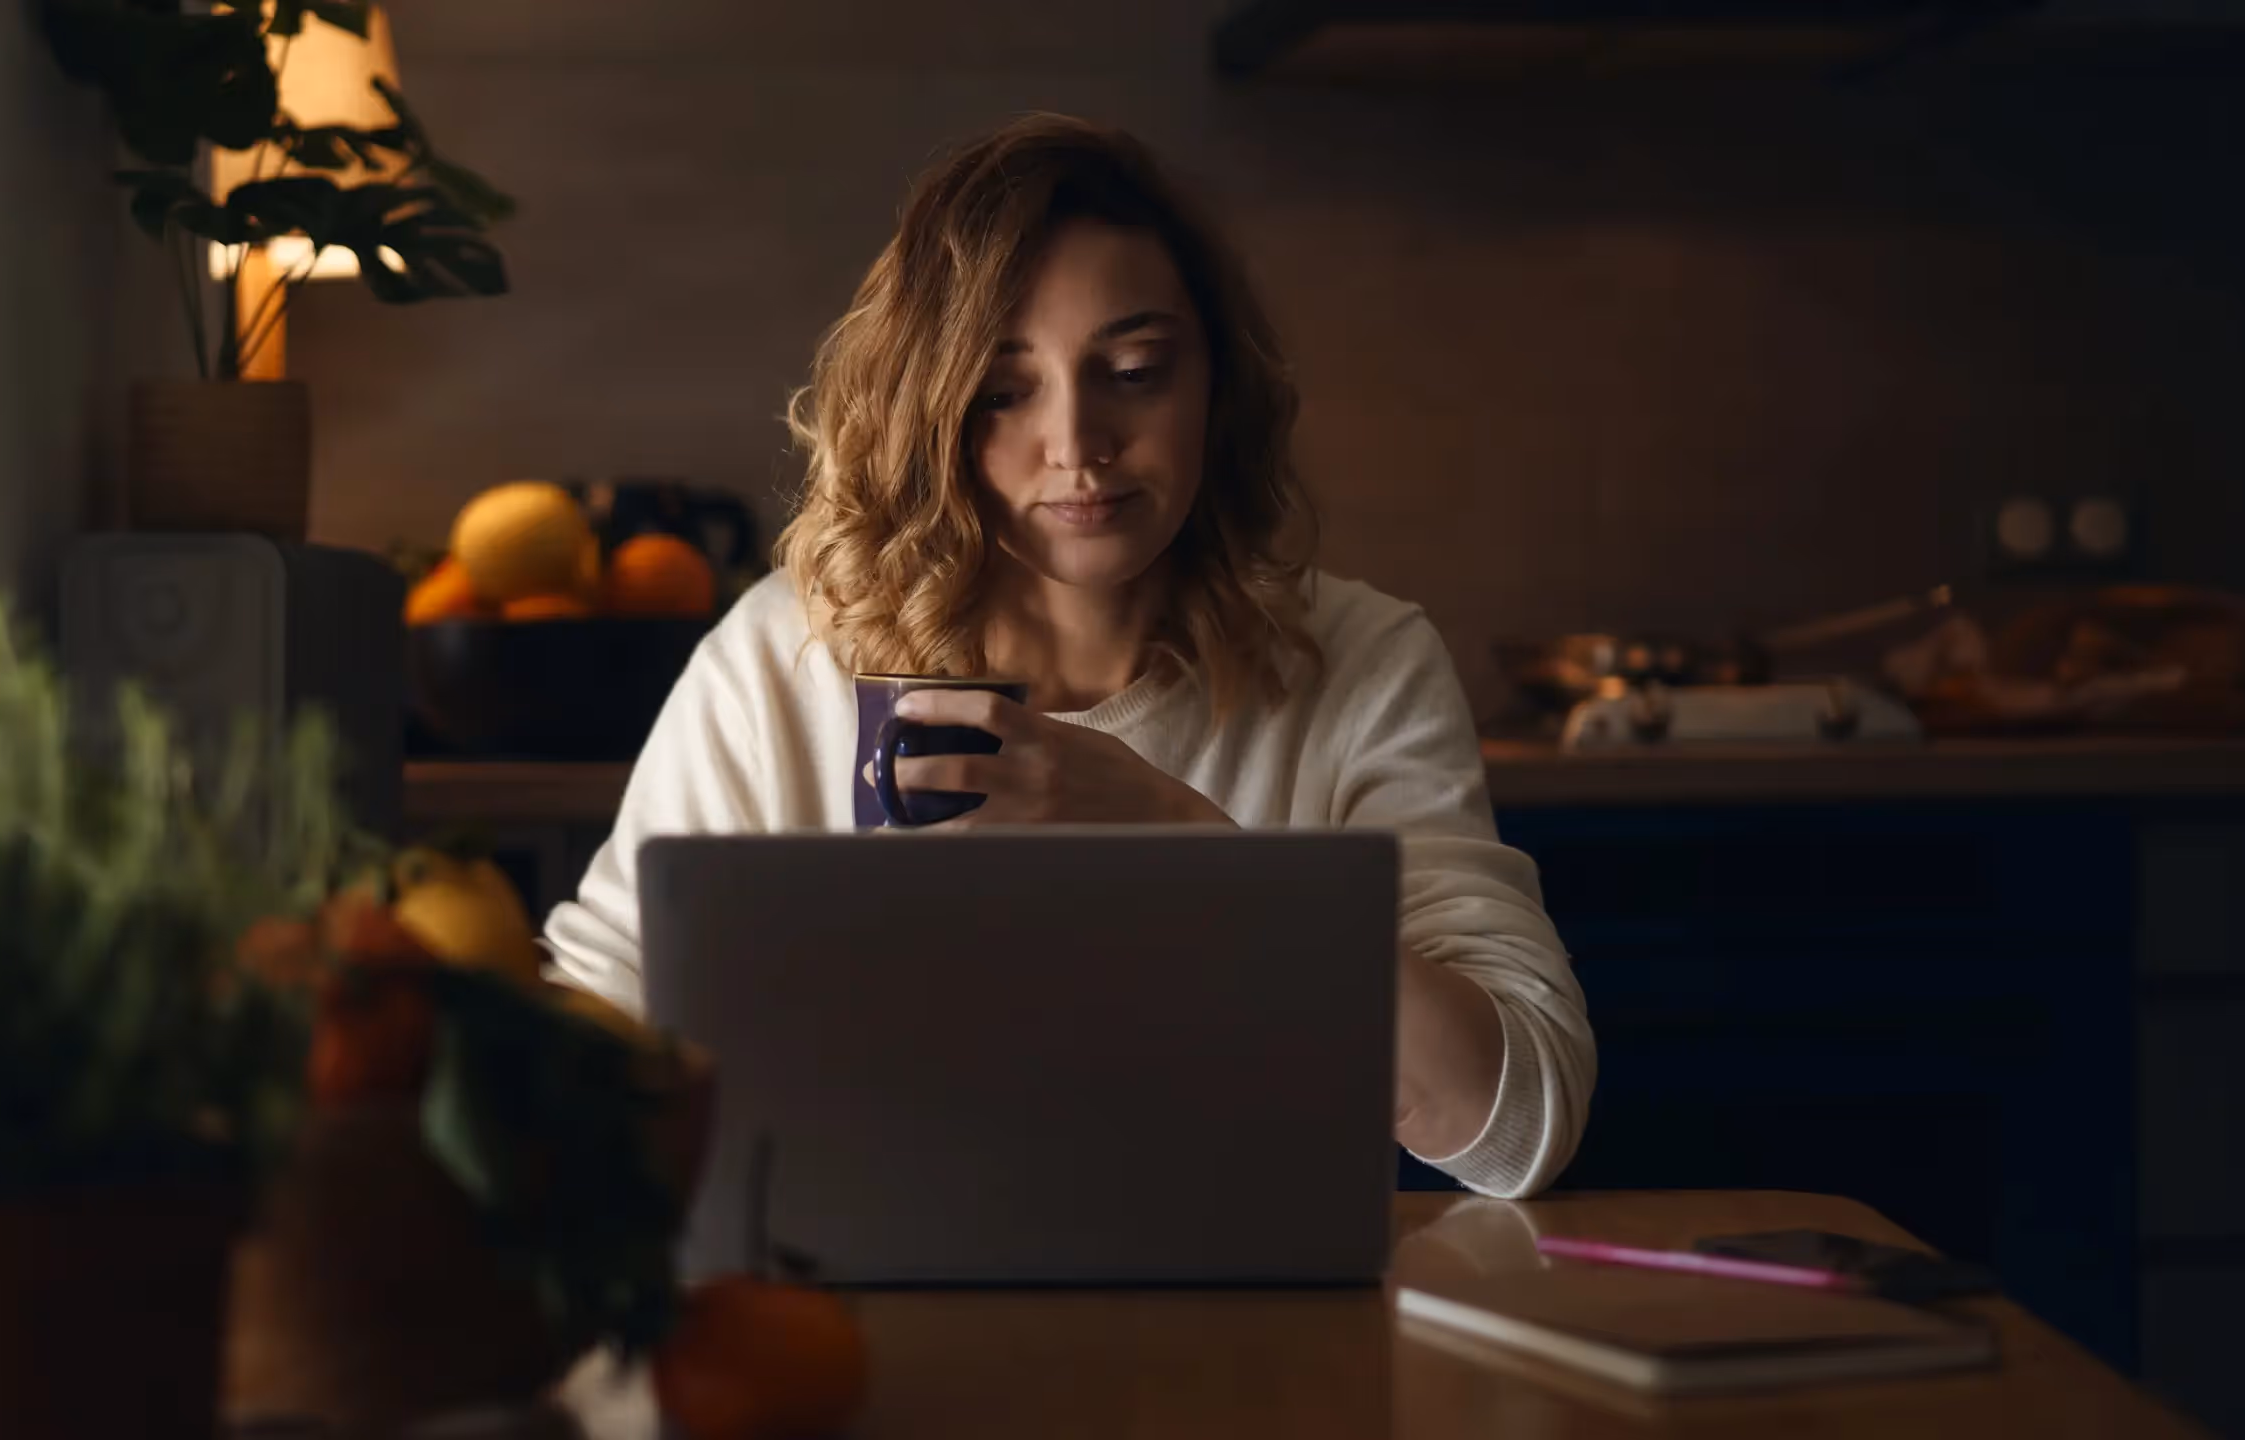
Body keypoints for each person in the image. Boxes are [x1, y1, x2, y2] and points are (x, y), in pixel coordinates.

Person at [545, 114, 1593, 1199]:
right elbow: (584, 1042)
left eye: (1133, 370)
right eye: (1006, 391)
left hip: (1250, 1331)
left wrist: (1194, 849)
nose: (1077, 445)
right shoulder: (784, 658)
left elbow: (1516, 1126)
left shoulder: (1360, 661)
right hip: (862, 1330)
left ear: (1214, 389)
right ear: (931, 412)